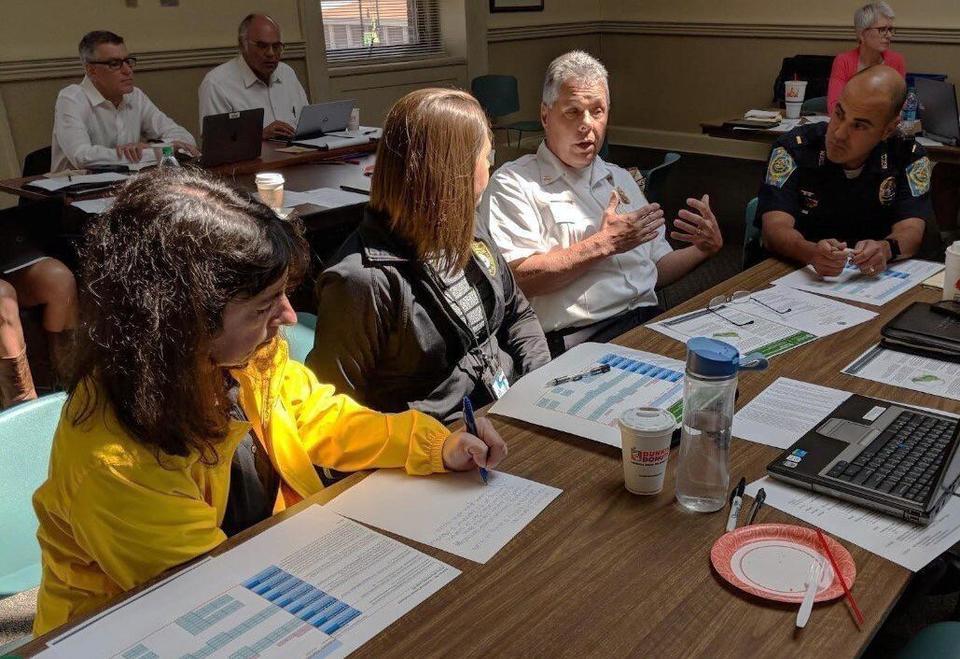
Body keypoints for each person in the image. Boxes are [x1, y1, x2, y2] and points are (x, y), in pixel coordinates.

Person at [31, 168, 506, 635]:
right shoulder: (114, 458)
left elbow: (317, 416)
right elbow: (211, 590)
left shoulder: (240, 355)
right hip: (134, 632)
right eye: (264, 305)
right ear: (182, 320)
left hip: (263, 564)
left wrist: (437, 445)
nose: (288, 315)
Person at [307, 88, 550, 423]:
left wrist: (542, 382)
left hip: (504, 410)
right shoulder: (363, 281)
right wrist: (435, 449)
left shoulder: (468, 225)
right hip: (435, 448)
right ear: (456, 173)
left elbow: (517, 313)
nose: (491, 169)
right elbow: (333, 417)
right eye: (488, 158)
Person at [483, 51, 723, 356]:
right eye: (573, 112)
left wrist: (703, 249)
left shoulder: (620, 178)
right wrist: (603, 244)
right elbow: (517, 280)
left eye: (597, 111)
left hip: (649, 324)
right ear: (545, 116)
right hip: (580, 343)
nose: (587, 125)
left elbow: (655, 270)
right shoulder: (514, 184)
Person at [757, 65, 930, 278]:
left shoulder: (908, 155)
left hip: (870, 280)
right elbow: (774, 229)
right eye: (839, 114)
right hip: (797, 273)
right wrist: (810, 252)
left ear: (888, 130)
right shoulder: (793, 148)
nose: (839, 134)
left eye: (859, 126)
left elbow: (912, 231)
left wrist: (885, 249)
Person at [51, 31, 199, 172]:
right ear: (91, 70)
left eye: (128, 61)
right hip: (71, 193)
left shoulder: (136, 96)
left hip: (123, 187)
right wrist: (158, 152)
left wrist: (156, 146)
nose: (128, 70)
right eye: (115, 64)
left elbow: (186, 139)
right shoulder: (71, 98)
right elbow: (82, 157)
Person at [199, 14, 309, 140]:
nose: (271, 53)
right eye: (262, 46)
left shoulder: (286, 73)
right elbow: (216, 143)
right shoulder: (217, 84)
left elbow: (306, 122)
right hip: (254, 159)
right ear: (242, 45)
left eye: (277, 46)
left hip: (299, 155)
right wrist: (258, 135)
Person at [827, 2, 905, 114]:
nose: (889, 35)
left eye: (890, 29)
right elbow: (834, 107)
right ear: (862, 34)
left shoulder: (896, 61)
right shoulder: (843, 61)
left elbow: (898, 107)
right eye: (882, 29)